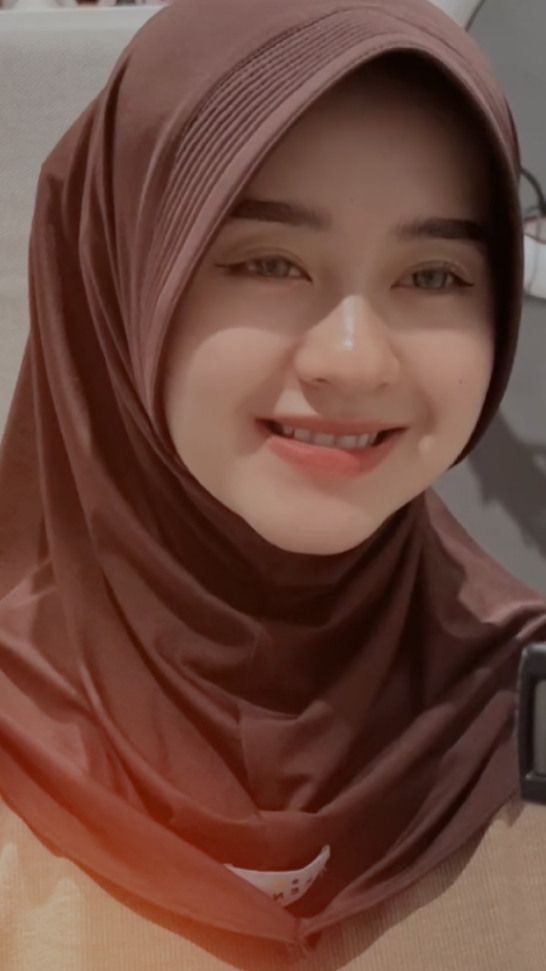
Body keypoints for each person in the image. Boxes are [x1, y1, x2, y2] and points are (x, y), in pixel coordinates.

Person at [0, 0, 545, 966]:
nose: (354, 358)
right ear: (120, 278)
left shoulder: (520, 715)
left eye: (433, 275)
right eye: (268, 261)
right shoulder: (20, 740)